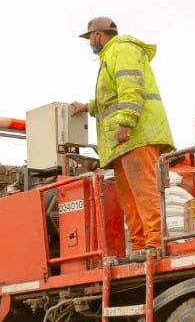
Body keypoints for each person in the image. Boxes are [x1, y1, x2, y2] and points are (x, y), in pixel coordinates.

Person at [72, 16, 174, 262]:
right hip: (122, 142)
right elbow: (112, 98)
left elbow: (131, 87)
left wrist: (125, 122)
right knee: (129, 196)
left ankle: (155, 242)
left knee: (143, 190)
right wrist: (87, 106)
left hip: (137, 134)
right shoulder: (111, 55)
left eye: (89, 39)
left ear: (97, 35)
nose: (89, 45)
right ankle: (140, 245)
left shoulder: (122, 49)